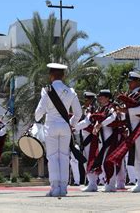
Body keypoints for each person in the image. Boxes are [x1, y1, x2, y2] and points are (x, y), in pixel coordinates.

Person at [35, 63, 82, 197]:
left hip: (51, 126)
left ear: (51, 76)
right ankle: (63, 188)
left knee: (52, 157)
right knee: (64, 157)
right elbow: (78, 113)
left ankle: (55, 188)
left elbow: (39, 112)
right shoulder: (71, 91)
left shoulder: (46, 90)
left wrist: (37, 117)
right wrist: (71, 124)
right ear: (63, 76)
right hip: (65, 127)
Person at [105, 72, 140, 193]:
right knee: (135, 155)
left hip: (139, 128)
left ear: (138, 82)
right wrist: (120, 112)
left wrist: (127, 110)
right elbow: (128, 113)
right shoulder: (132, 95)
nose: (129, 84)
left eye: (131, 81)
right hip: (132, 128)